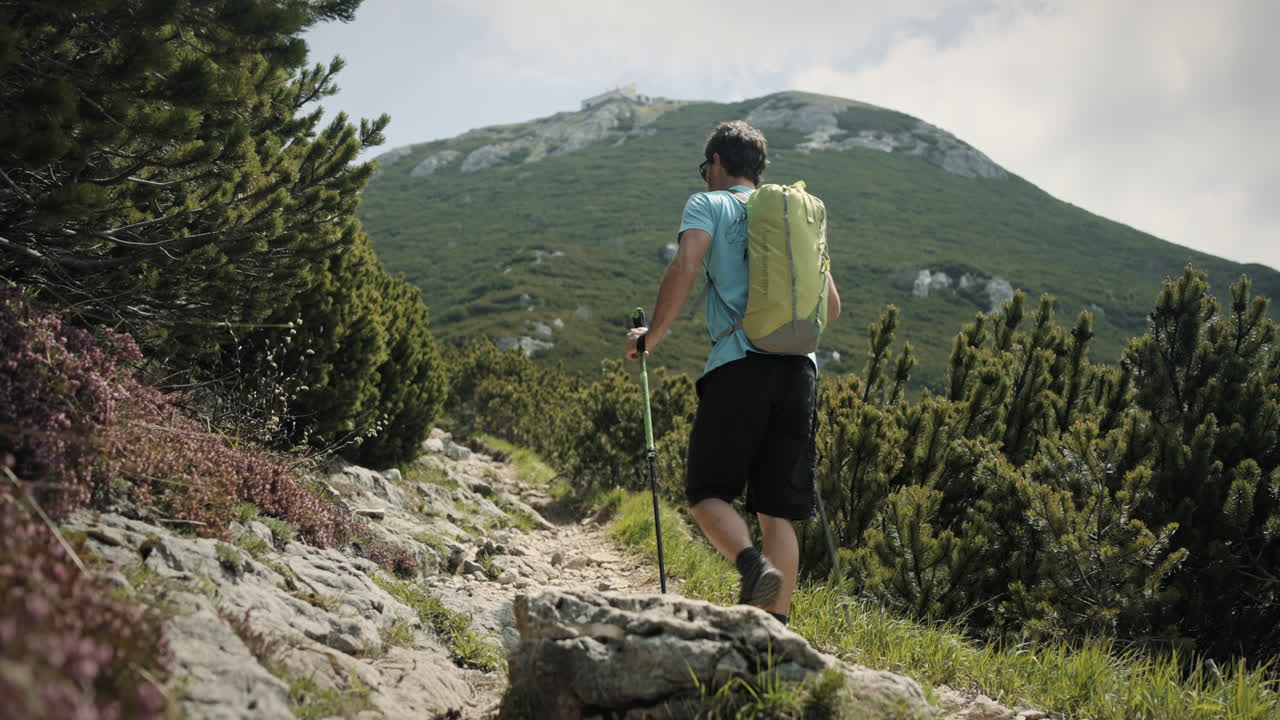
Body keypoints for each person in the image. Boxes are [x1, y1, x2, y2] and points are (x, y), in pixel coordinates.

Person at [625, 120, 841, 625]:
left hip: (739, 365)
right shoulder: (795, 219)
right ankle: (774, 631)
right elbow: (830, 309)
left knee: (706, 491)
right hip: (800, 373)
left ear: (718, 163)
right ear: (758, 168)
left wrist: (649, 339)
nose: (706, 177)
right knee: (776, 511)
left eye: (707, 168)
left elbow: (684, 267)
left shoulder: (711, 205)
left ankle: (750, 565)